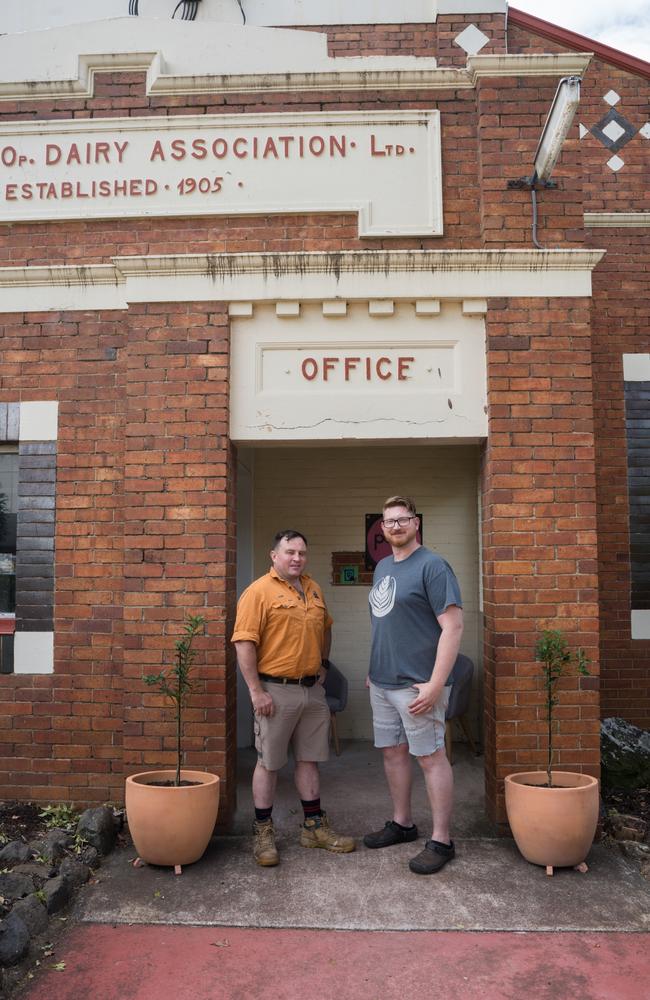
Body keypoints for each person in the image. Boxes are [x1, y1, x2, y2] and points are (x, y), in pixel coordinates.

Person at [232, 529, 355, 866]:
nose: (297, 558)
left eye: (302, 552)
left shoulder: (313, 588)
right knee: (268, 763)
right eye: (289, 552)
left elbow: (325, 627)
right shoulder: (258, 592)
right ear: (274, 556)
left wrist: (325, 665)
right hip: (275, 691)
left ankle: (313, 828)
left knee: (309, 759)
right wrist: (256, 691)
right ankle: (263, 832)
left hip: (312, 691)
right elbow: (244, 643)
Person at [364, 496, 464, 874]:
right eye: (388, 521)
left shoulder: (434, 566)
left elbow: (452, 627)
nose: (395, 526)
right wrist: (375, 668)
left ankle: (442, 840)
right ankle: (403, 823)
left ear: (416, 523)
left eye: (402, 519)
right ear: (382, 529)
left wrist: (436, 684)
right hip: (383, 681)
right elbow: (385, 622)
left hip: (418, 685)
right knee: (392, 753)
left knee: (430, 757)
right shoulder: (384, 566)